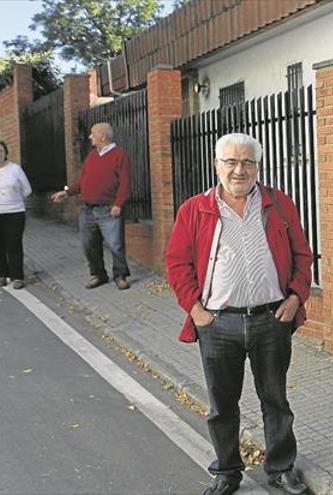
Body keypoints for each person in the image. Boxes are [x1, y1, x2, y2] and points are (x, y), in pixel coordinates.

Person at [165, 133, 313, 495]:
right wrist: (195, 310)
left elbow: (303, 255)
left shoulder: (278, 204)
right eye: (230, 161)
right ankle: (228, 471)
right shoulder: (194, 209)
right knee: (222, 405)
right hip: (218, 323)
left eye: (247, 162)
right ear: (217, 166)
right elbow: (176, 263)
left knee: (275, 399)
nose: (239, 169)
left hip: (271, 320)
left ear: (257, 167)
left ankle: (280, 468)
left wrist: (295, 298)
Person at [50, 122, 132, 290]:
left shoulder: (119, 154)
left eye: (92, 133)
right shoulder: (92, 155)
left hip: (108, 209)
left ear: (103, 136)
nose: (89, 137)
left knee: (115, 245)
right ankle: (99, 275)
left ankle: (120, 275)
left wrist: (118, 203)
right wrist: (66, 193)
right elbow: (82, 181)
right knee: (89, 245)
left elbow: (125, 182)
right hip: (87, 209)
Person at [0, 141, 32, 289]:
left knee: (14, 243)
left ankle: (17, 276)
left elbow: (27, 190)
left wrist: (12, 199)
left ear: (5, 153)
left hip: (15, 212)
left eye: (1, 151)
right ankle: (2, 275)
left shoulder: (15, 169)